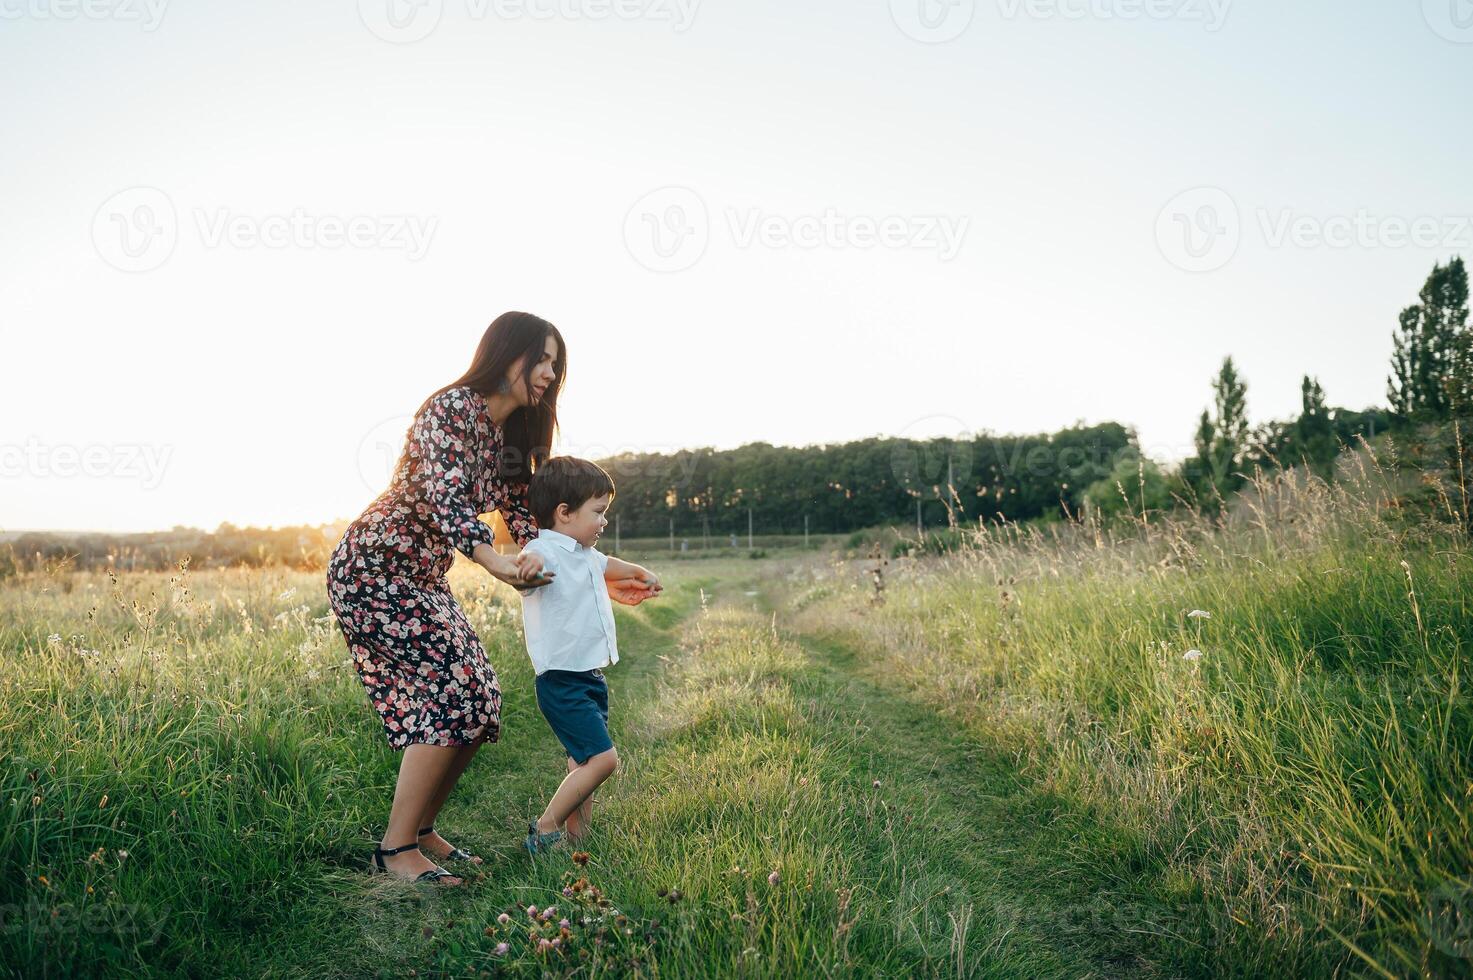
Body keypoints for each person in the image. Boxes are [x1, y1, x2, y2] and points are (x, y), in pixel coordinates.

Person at [326, 311, 562, 886]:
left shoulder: (512, 434)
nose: (552, 374)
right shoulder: (449, 409)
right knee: (450, 688)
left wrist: (543, 561)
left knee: (481, 698)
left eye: (558, 365)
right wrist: (494, 562)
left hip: (423, 575)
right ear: (509, 354)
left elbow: (519, 508)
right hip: (373, 568)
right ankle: (393, 848)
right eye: (544, 360)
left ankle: (424, 828)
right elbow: (448, 498)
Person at [515, 456, 662, 854]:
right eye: (598, 512)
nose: (604, 522)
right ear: (564, 513)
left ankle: (580, 840)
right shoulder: (543, 549)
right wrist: (526, 567)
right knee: (603, 760)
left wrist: (641, 572)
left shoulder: (585, 554)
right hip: (561, 680)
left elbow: (610, 566)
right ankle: (545, 829)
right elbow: (533, 564)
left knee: (582, 762)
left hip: (588, 676)